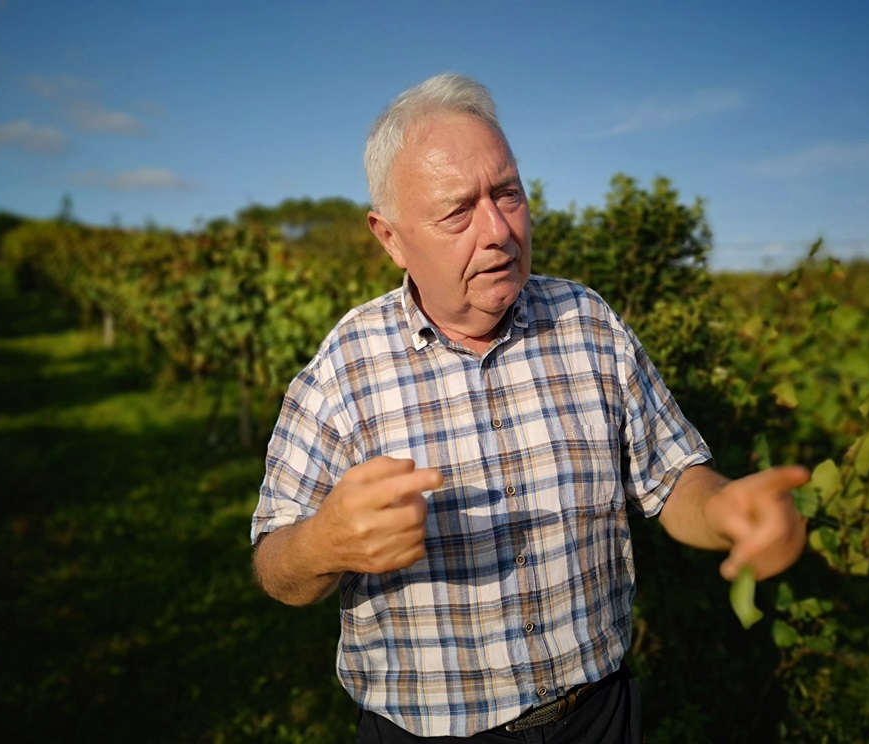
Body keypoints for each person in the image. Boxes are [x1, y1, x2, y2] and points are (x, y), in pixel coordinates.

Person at [251, 73, 808, 742]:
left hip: (597, 717)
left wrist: (726, 508)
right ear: (390, 237)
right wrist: (324, 541)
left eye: (507, 193)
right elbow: (274, 565)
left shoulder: (587, 322)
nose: (498, 230)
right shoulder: (345, 369)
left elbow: (672, 477)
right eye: (458, 210)